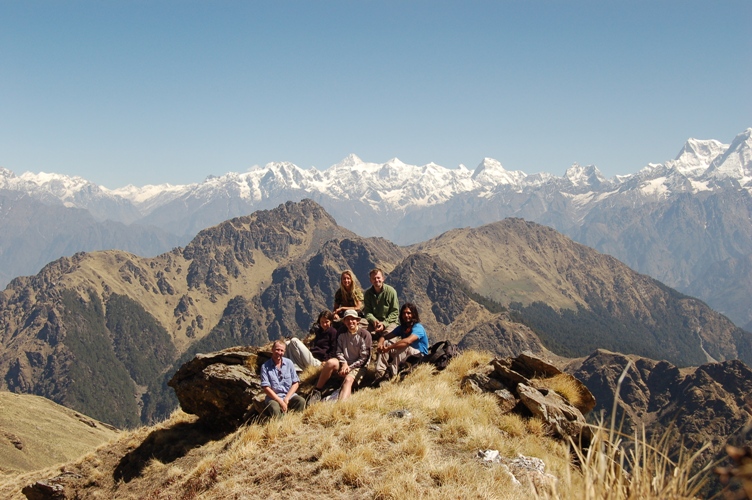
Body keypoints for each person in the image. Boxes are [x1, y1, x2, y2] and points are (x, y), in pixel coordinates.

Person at [308, 309, 372, 404]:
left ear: (357, 321)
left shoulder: (365, 335)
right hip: (344, 363)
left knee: (348, 380)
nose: (350, 322)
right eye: (347, 319)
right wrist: (344, 363)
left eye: (352, 319)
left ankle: (341, 405)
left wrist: (349, 368)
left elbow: (364, 358)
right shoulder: (341, 332)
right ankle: (317, 391)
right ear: (344, 321)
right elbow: (338, 351)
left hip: (358, 367)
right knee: (330, 363)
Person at [374, 303, 429, 382]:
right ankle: (379, 373)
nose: (406, 315)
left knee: (405, 347)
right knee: (386, 343)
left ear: (414, 314)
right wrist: (380, 342)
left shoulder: (418, 327)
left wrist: (389, 348)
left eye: (408, 313)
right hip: (405, 354)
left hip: (419, 356)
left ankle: (391, 374)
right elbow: (385, 336)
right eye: (404, 313)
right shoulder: (402, 328)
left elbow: (407, 341)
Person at [260, 340, 306, 418]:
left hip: (289, 395)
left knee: (301, 401)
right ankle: (281, 425)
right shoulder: (265, 367)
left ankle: (294, 421)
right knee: (274, 408)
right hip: (274, 397)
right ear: (272, 349)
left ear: (284, 352)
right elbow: (266, 388)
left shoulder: (289, 363)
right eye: (277, 349)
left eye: (282, 350)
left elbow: (296, 383)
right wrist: (280, 401)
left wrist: (287, 398)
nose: (279, 352)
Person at [362, 268, 399, 337]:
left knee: (390, 334)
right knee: (357, 325)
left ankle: (378, 335)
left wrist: (384, 324)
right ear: (371, 281)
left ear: (383, 279)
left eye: (378, 278)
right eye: (374, 278)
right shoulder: (367, 294)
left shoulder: (391, 292)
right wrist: (374, 321)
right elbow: (367, 311)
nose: (376, 280)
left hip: (389, 323)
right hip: (373, 323)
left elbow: (395, 312)